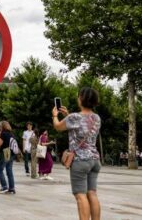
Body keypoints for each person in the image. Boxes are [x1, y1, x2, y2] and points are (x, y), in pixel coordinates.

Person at [53, 87, 102, 220]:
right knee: (92, 193)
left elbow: (58, 127)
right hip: (94, 160)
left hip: (80, 161)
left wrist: (55, 115)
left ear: (81, 99)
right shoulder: (96, 118)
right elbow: (81, 126)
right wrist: (67, 115)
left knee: (80, 196)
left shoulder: (74, 117)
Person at [0, 120, 16, 194]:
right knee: (9, 171)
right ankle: (12, 188)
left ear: (2, 126)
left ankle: (4, 187)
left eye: (0, 126)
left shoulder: (3, 134)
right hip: (12, 153)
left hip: (6, 152)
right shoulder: (11, 134)